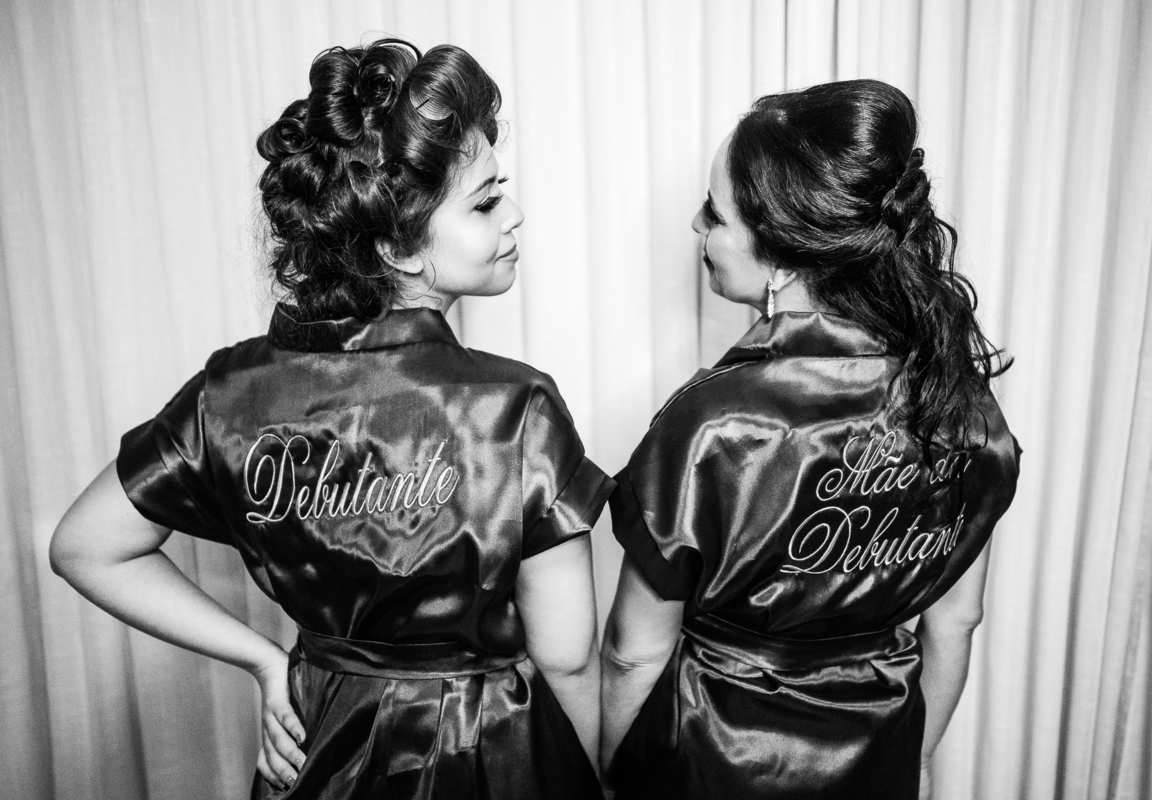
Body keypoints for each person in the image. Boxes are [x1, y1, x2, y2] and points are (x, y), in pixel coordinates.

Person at [50, 38, 610, 800]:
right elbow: (568, 659)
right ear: (395, 248)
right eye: (484, 202)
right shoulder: (517, 409)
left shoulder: (232, 394)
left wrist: (264, 659)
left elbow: (85, 545)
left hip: (319, 751)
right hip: (487, 759)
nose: (514, 215)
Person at [599, 79, 1020, 800]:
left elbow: (633, 654)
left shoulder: (710, 424)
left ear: (785, 256)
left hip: (713, 762)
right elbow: (957, 621)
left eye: (715, 213)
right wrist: (908, 761)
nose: (697, 227)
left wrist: (612, 777)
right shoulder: (962, 408)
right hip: (875, 757)